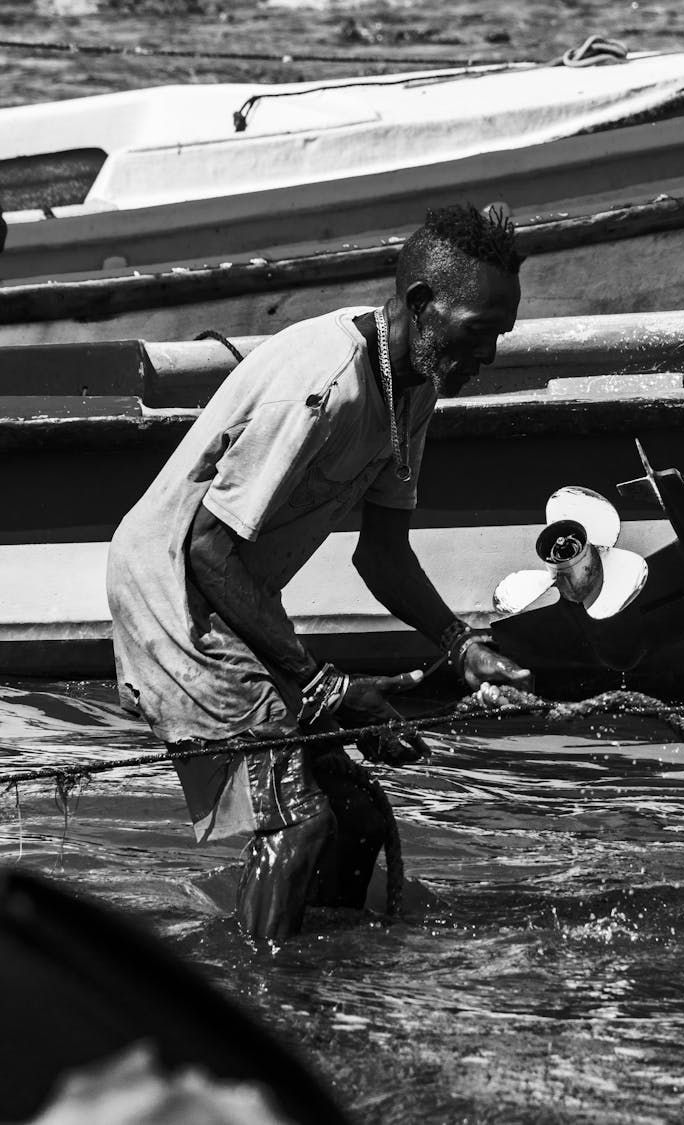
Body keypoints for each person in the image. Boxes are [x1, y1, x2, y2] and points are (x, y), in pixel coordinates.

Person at [107, 202, 530, 942]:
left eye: (500, 336)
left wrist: (460, 644)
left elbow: (383, 553)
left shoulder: (417, 387)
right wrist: (326, 688)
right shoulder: (324, 384)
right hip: (173, 597)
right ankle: (262, 993)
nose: (489, 355)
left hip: (235, 596)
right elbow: (207, 549)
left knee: (359, 815)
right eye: (478, 333)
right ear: (424, 307)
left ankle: (321, 971)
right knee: (297, 822)